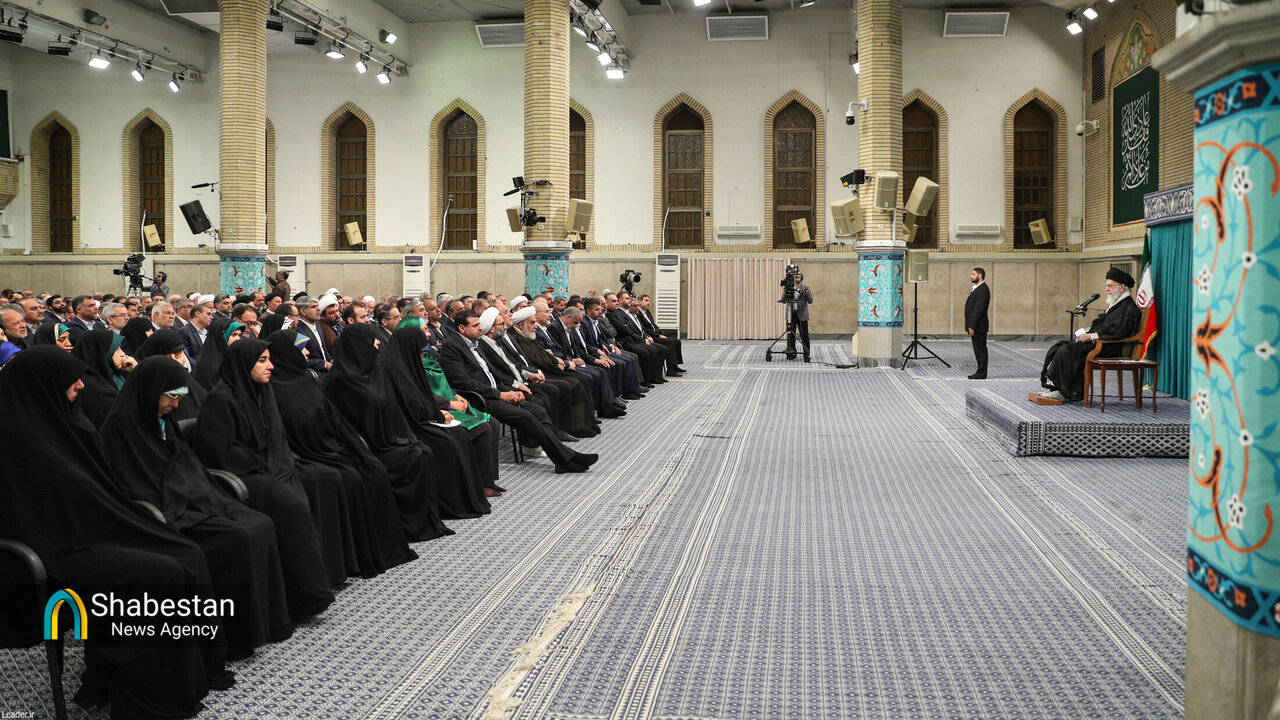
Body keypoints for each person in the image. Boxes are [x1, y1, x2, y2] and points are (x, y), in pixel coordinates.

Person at [0, 347, 235, 718]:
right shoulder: (14, 441)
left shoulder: (69, 425)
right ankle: (145, 694)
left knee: (186, 551)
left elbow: (100, 493)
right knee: (161, 573)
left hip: (93, 534)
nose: (81, 385)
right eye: (70, 380)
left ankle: (195, 673)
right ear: (42, 386)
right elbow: (33, 518)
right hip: (50, 556)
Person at [99, 356, 295, 657]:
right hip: (161, 509)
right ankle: (236, 636)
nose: (176, 404)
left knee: (261, 523)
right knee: (237, 537)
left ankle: (268, 624)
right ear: (152, 390)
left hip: (188, 495)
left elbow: (185, 463)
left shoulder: (162, 419)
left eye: (180, 397)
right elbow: (134, 481)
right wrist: (183, 493)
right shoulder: (122, 426)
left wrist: (197, 491)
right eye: (171, 396)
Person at [193, 339, 336, 620]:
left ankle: (319, 577)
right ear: (243, 364)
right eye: (262, 361)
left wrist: (278, 462)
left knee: (317, 480)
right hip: (241, 475)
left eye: (269, 359)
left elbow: (275, 437)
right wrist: (265, 465)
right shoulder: (221, 399)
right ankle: (307, 594)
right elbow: (223, 452)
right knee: (290, 502)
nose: (270, 366)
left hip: (268, 466)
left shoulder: (261, 390)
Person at [264, 329, 418, 573]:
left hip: (328, 447)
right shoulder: (272, 390)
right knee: (348, 478)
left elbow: (334, 421)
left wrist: (353, 448)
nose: (307, 353)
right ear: (286, 354)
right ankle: (355, 557)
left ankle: (379, 548)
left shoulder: (305, 381)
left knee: (373, 469)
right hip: (306, 454)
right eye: (301, 349)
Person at [321, 323, 454, 540]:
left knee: (423, 451)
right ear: (359, 345)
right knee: (412, 458)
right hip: (363, 446)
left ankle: (426, 522)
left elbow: (391, 410)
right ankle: (408, 527)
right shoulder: (339, 380)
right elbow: (347, 424)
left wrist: (401, 438)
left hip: (387, 439)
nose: (377, 344)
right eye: (373, 340)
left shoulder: (373, 371)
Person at [440, 310, 598, 474]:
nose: (480, 328)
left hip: (497, 392)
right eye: (475, 325)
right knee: (527, 416)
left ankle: (563, 458)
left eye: (479, 324)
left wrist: (511, 389)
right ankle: (565, 458)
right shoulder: (452, 347)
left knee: (538, 410)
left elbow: (494, 374)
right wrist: (501, 395)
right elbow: (463, 382)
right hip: (480, 399)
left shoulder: (474, 343)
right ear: (462, 328)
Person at [378, 326, 493, 517]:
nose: (422, 355)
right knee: (447, 442)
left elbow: (423, 396)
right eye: (420, 350)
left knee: (460, 434)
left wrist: (439, 411)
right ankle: (450, 504)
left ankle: (469, 497)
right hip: (407, 424)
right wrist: (439, 414)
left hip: (422, 416)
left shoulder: (408, 362)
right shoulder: (391, 367)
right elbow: (408, 403)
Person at [398, 317, 505, 496]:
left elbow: (443, 381)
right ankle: (478, 483)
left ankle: (488, 479)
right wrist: (449, 403)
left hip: (449, 401)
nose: (428, 334)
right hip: (434, 410)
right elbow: (420, 394)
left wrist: (456, 395)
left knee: (493, 423)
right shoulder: (407, 362)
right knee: (483, 428)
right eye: (424, 330)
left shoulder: (427, 355)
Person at [1039, 267, 1143, 402]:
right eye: (1106, 286)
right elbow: (1104, 326)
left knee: (1067, 350)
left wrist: (1090, 336)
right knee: (1060, 346)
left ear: (1122, 287)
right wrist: (1087, 333)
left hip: (1111, 347)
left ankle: (1066, 391)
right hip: (1102, 343)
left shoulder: (1129, 307)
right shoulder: (1117, 304)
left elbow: (1120, 332)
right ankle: (1059, 388)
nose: (1106, 289)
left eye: (1110, 286)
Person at [70, 330, 135, 428]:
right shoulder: (89, 386)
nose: (123, 354)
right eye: (117, 349)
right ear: (101, 351)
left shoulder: (118, 373)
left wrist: (135, 370)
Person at [966, 267, 990, 380]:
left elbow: (979, 309)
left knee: (980, 350)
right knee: (978, 350)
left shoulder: (983, 289)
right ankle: (980, 371)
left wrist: (972, 325)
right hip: (977, 325)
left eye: (973, 274)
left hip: (979, 325)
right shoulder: (978, 288)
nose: (971, 276)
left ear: (980, 275)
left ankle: (981, 373)